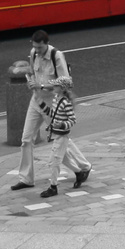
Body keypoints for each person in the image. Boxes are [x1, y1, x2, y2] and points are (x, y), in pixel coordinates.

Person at [12, 30, 91, 191]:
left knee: (60, 139)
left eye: (40, 48)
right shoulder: (33, 53)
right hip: (36, 100)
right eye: (35, 47)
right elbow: (33, 73)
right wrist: (31, 81)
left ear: (46, 44)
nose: (37, 51)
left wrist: (42, 85)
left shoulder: (57, 56)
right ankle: (26, 179)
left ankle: (84, 166)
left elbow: (65, 82)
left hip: (52, 104)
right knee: (26, 139)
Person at [36, 80, 92, 197]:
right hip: (57, 134)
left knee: (53, 162)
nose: (53, 87)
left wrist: (61, 125)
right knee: (64, 159)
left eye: (55, 85)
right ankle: (79, 173)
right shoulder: (56, 98)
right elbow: (53, 113)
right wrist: (41, 104)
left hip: (62, 136)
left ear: (62, 88)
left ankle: (53, 187)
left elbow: (72, 120)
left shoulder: (65, 102)